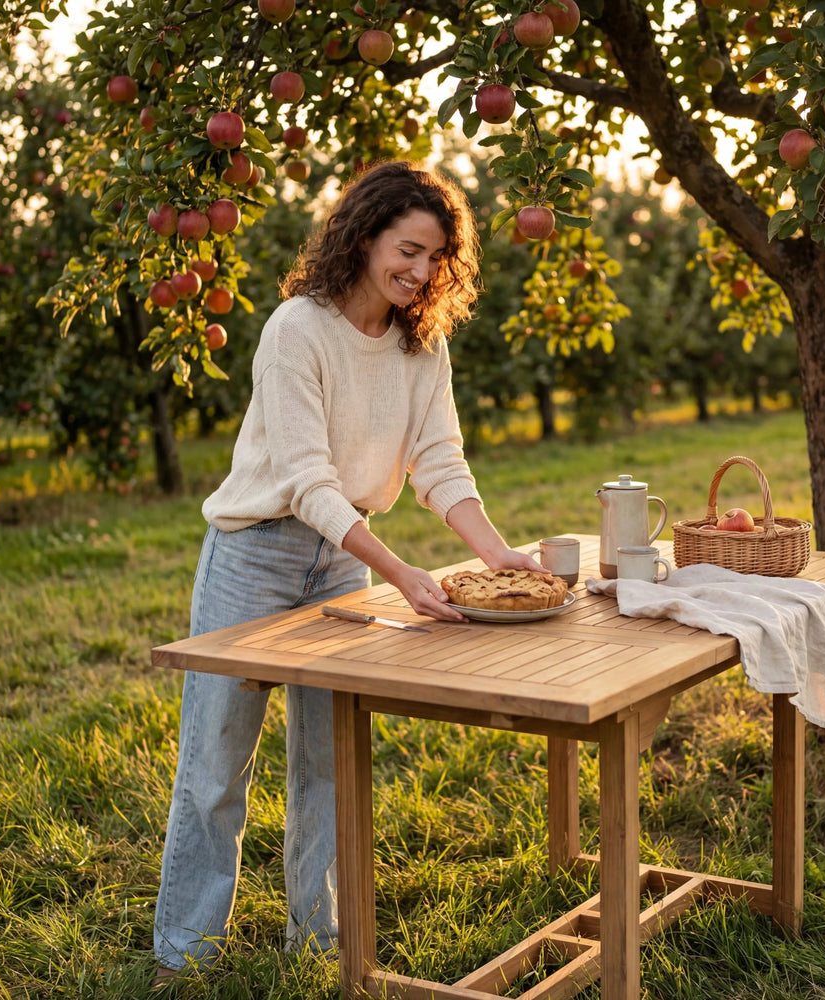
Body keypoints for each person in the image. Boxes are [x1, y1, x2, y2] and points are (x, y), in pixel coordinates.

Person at [152, 160, 543, 981]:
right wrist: (402, 573)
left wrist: (496, 554)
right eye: (408, 249)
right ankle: (186, 956)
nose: (421, 272)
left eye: (438, 258)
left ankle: (318, 939)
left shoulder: (419, 343)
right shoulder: (298, 327)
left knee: (329, 761)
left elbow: (439, 461)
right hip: (256, 554)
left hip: (342, 561)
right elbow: (305, 480)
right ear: (363, 237)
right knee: (217, 762)